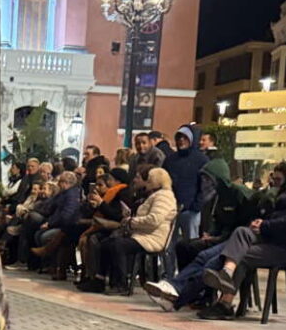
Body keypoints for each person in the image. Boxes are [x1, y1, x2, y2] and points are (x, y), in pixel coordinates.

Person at [198, 157, 286, 320]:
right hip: (276, 237)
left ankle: (224, 303)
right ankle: (227, 270)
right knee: (242, 232)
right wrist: (263, 223)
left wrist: (266, 226)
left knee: (241, 254)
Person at [145, 157, 258, 312]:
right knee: (185, 247)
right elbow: (218, 221)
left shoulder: (240, 194)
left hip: (237, 241)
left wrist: (219, 237)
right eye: (203, 178)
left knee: (207, 259)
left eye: (208, 178)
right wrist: (211, 234)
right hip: (222, 238)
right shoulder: (216, 197)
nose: (205, 182)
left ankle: (177, 293)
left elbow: (246, 224)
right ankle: (183, 291)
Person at [97, 167, 178, 295]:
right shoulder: (154, 195)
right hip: (144, 234)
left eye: (150, 179)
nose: (147, 181)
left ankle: (122, 285)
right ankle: (100, 280)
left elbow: (154, 220)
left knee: (118, 245)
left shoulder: (164, 196)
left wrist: (131, 222)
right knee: (107, 242)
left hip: (153, 238)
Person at [76, 168, 135, 292]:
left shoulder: (123, 193)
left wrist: (101, 204)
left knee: (96, 240)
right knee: (85, 236)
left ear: (117, 181)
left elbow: (117, 215)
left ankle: (99, 279)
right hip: (104, 225)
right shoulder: (110, 193)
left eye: (111, 179)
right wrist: (93, 204)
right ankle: (92, 277)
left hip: (117, 228)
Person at [163, 124, 209, 272]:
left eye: (185, 137)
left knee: (190, 246)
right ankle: (169, 275)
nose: (181, 140)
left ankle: (188, 275)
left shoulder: (202, 160)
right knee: (169, 245)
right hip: (171, 210)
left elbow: (205, 186)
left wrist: (196, 206)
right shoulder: (170, 160)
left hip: (191, 211)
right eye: (179, 137)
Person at [20, 170, 80, 272]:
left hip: (64, 226)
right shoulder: (62, 194)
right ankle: (39, 263)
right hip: (54, 221)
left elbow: (65, 216)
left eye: (60, 182)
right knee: (35, 226)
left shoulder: (71, 196)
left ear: (66, 183)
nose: (58, 184)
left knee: (43, 235)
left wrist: (50, 224)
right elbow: (49, 205)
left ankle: (46, 264)